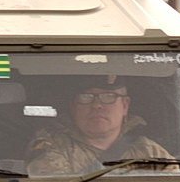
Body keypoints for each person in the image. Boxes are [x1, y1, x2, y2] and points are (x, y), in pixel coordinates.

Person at [25, 75, 171, 176]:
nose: (97, 105)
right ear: (73, 106)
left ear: (125, 105)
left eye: (108, 97)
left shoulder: (150, 152)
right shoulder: (51, 147)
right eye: (86, 97)